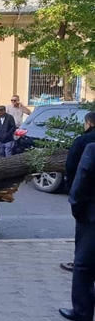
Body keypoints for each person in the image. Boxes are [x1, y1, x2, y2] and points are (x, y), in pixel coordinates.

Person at [59, 142, 95, 321]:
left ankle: (82, 311)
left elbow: (81, 180)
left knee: (83, 265)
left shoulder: (92, 148)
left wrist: (77, 208)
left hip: (91, 217)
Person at [60, 112, 95, 272]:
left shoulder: (82, 141)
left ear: (88, 123)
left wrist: (72, 192)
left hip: (87, 197)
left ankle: (80, 262)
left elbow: (71, 166)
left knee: (83, 234)